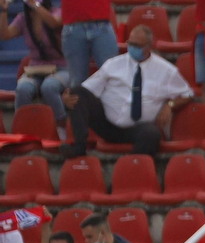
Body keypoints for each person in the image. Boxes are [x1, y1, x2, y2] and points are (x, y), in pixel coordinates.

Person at [61, 24, 192, 157]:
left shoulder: (167, 71)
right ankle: (79, 147)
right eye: (130, 44)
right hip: (106, 124)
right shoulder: (113, 64)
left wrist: (170, 105)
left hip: (137, 129)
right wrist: (68, 98)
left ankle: (132, 165)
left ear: (149, 46)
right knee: (77, 92)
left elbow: (187, 94)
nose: (132, 48)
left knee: (152, 134)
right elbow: (88, 88)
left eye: (137, 45)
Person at [1, 0, 70, 127]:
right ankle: (23, 129)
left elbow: (53, 23)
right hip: (36, 68)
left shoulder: (57, 12)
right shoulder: (23, 19)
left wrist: (34, 4)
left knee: (49, 87)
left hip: (60, 67)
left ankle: (61, 127)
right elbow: (5, 35)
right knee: (23, 89)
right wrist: (3, 10)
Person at [60, 0, 117, 96]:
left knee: (112, 78)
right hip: (74, 27)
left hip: (100, 24)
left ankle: (114, 111)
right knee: (77, 83)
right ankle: (81, 111)